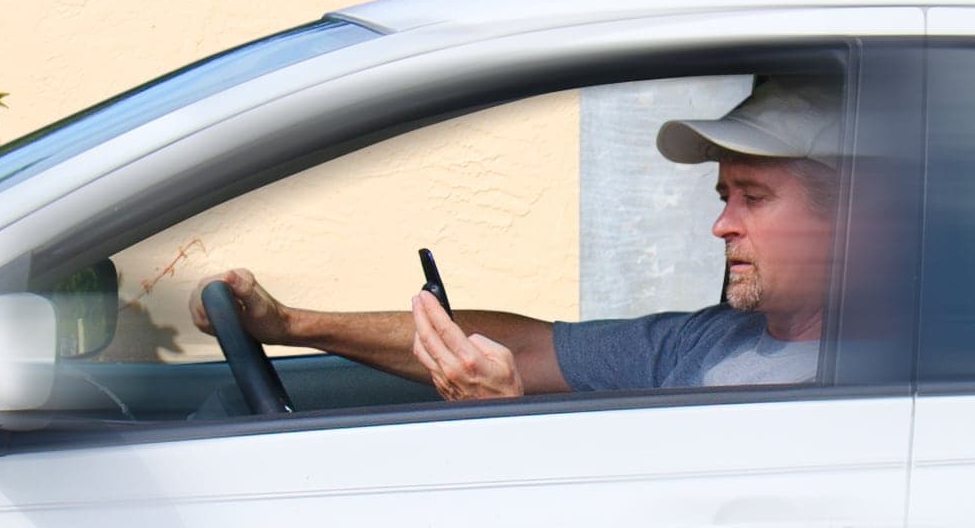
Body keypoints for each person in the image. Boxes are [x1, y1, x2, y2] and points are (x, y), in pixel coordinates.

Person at [213, 74, 843, 402]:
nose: (721, 224)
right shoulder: (708, 339)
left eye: (753, 199)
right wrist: (291, 324)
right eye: (723, 196)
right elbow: (534, 347)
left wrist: (508, 414)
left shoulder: (871, 379)